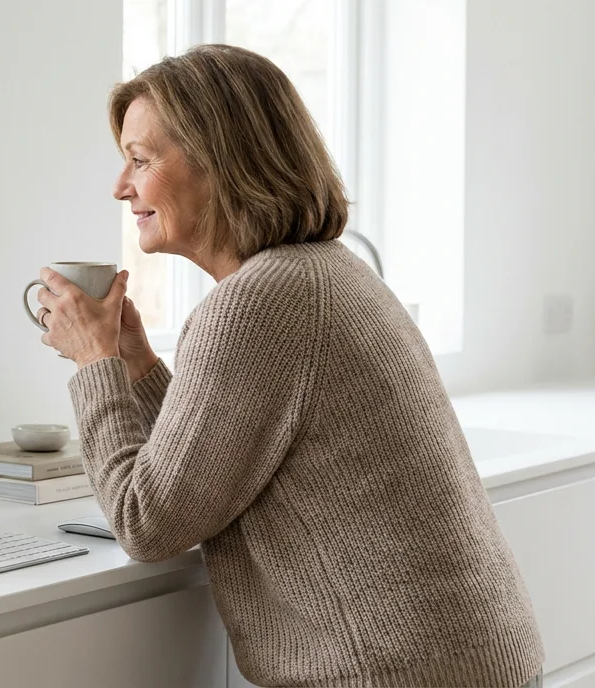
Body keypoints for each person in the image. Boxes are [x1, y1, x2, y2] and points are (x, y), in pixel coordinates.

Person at [32, 44, 544, 688]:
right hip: (461, 659)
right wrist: (132, 360)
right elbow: (217, 461)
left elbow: (149, 522)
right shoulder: (322, 271)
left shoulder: (260, 301)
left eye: (140, 160)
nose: (120, 187)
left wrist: (93, 364)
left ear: (220, 160)